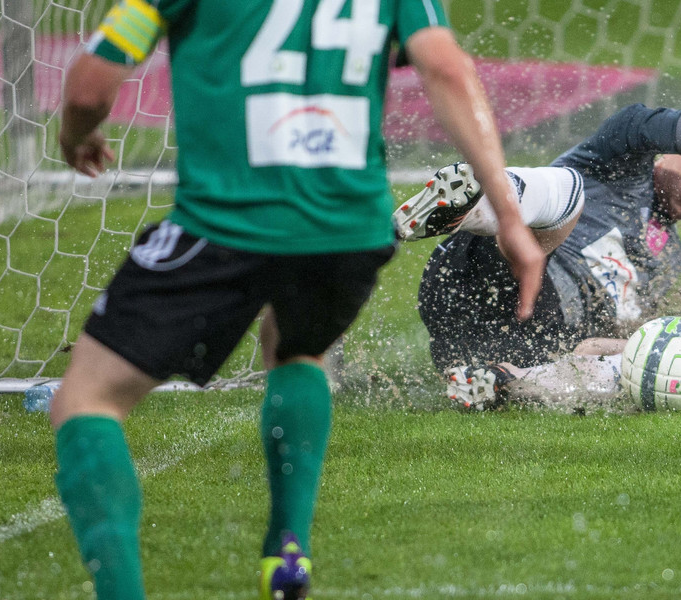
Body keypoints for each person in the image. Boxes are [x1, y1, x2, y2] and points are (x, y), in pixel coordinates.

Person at [50, 0, 544, 598]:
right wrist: (510, 217)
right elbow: (446, 68)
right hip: (349, 229)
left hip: (228, 224)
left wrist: (75, 136)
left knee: (87, 399)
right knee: (296, 350)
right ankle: (287, 549)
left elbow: (86, 90)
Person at [393, 104, 681, 410]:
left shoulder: (669, 262)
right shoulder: (621, 162)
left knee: (639, 362)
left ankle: (501, 382)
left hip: (509, 340)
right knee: (566, 192)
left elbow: (599, 342)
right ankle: (468, 201)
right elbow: (641, 120)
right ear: (677, 147)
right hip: (487, 270)